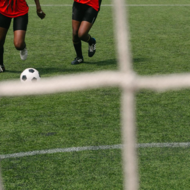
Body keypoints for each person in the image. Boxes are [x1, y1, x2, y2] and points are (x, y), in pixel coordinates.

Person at [0, 0, 46, 73]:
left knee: (18, 44)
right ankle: (1, 65)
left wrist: (38, 8)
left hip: (20, 10)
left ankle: (23, 47)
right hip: (2, 9)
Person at [71, 0, 102, 65]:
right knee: (75, 33)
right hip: (78, 3)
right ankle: (79, 57)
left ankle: (91, 41)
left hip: (92, 4)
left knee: (81, 34)